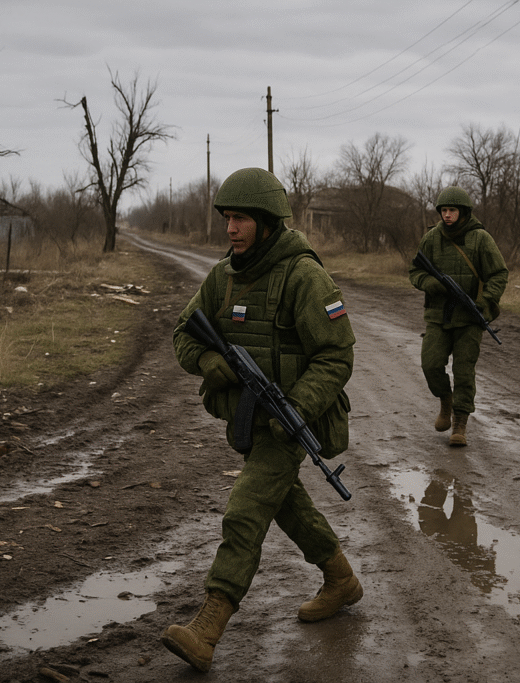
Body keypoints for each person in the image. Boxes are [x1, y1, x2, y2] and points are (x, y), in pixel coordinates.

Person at [163, 168, 361, 673]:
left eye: (241, 220)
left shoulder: (304, 276)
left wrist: (297, 405)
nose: (231, 229)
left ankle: (208, 627)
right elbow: (184, 335)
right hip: (250, 418)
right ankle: (341, 579)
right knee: (282, 500)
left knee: (246, 510)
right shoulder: (223, 276)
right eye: (227, 218)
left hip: (294, 418)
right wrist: (212, 363)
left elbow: (337, 356)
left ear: (268, 222)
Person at [409, 186, 508, 446]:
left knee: (464, 372)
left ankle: (460, 424)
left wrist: (485, 302)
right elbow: (415, 272)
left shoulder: (480, 239)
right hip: (438, 316)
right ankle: (446, 399)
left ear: (463, 212)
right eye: (444, 210)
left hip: (470, 318)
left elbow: (498, 274)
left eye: (452, 210)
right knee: (430, 364)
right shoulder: (431, 238)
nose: (447, 215)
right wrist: (431, 284)